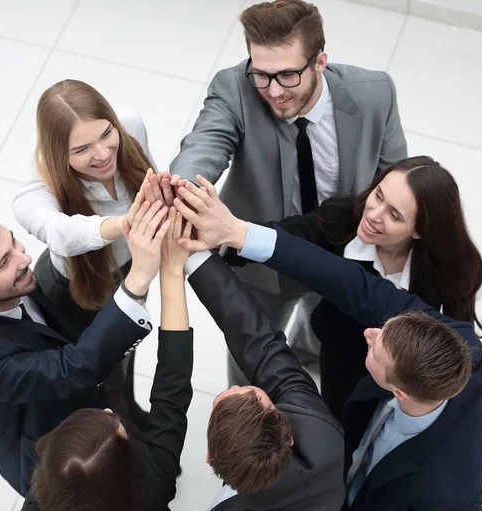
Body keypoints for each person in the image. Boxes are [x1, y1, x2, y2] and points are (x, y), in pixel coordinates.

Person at [173, 178, 482, 511]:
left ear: (400, 391)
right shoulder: (455, 340)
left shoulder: (446, 496)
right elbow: (350, 283)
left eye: (377, 350)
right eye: (383, 328)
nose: (369, 334)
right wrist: (233, 234)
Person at [115, 180, 346, 511]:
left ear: (208, 459)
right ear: (286, 431)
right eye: (249, 391)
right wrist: (195, 259)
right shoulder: (322, 437)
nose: (241, 385)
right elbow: (260, 341)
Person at [170, 0, 407, 384]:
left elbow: (393, 176)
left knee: (322, 332)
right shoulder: (235, 88)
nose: (274, 91)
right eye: (261, 75)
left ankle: (307, 355)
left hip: (342, 254)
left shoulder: (376, 94)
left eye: (287, 76)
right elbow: (204, 144)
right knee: (254, 361)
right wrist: (183, 192)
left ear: (319, 62)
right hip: (261, 263)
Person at [194, 155, 482, 423]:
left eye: (394, 215)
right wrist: (225, 236)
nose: (373, 214)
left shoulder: (453, 267)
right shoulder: (342, 219)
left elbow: (457, 335)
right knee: (338, 420)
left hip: (402, 370)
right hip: (340, 355)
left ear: (419, 230)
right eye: (378, 195)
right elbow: (290, 236)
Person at [0, 199, 170, 495]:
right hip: (48, 449)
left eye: (13, 243)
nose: (22, 259)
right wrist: (138, 278)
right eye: (4, 262)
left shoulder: (2, 284)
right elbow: (71, 369)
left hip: (85, 407)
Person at [9, 208, 193, 511]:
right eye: (117, 425)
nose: (112, 410)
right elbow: (172, 383)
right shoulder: (155, 481)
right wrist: (172, 271)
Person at [13, 79, 168, 436]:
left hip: (126, 272)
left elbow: (152, 181)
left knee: (125, 357)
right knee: (99, 375)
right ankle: (123, 432)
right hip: (72, 294)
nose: (102, 153)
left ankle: (131, 415)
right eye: (82, 148)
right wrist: (127, 223)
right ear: (58, 153)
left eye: (105, 134)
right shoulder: (35, 189)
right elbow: (62, 236)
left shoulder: (129, 125)